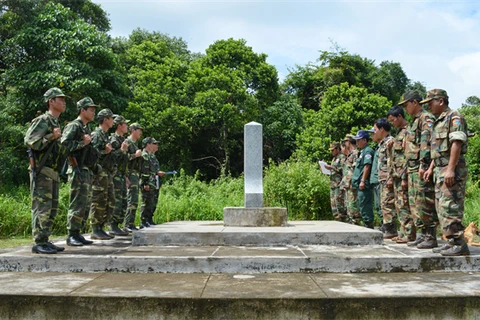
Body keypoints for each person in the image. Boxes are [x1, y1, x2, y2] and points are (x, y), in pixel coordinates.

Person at [422, 89, 470, 256]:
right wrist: (430, 168)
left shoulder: (454, 118)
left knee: (451, 206)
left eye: (430, 103)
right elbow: (438, 150)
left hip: (452, 169)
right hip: (439, 169)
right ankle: (450, 241)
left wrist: (450, 169)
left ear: (441, 101)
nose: (428, 106)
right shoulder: (438, 121)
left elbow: (456, 143)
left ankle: (459, 243)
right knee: (441, 207)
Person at [24, 87, 68, 254]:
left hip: (53, 172)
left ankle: (45, 239)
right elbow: (30, 141)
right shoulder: (43, 120)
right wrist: (52, 136)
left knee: (52, 208)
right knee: (42, 208)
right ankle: (38, 242)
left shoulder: (55, 122)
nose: (64, 102)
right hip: (42, 170)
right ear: (51, 101)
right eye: (60, 99)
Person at [397, 91, 438, 249]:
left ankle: (430, 235)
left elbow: (426, 143)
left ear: (415, 102)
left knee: (425, 201)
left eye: (406, 104)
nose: (406, 108)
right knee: (415, 203)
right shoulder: (413, 121)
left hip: (421, 167)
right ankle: (422, 234)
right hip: (412, 168)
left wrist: (424, 164)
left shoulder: (425, 118)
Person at [61, 97, 100, 246]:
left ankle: (78, 233)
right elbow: (64, 146)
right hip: (76, 169)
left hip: (85, 170)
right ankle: (71, 234)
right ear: (82, 110)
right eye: (91, 109)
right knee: (77, 202)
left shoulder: (86, 128)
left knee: (84, 203)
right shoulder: (74, 126)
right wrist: (82, 143)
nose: (93, 112)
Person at [387, 105, 415, 243]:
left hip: (403, 175)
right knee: (399, 206)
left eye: (393, 120)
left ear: (399, 116)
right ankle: (403, 232)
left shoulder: (407, 132)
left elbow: (407, 157)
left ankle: (409, 234)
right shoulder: (398, 133)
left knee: (405, 205)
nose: (392, 123)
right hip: (397, 175)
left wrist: (404, 177)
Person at [89, 108, 115, 240]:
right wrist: (105, 151)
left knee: (109, 201)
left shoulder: (105, 135)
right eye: (111, 118)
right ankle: (95, 228)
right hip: (99, 173)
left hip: (107, 173)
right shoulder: (96, 134)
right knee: (98, 200)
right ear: (105, 119)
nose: (113, 121)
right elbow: (91, 156)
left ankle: (101, 227)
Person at [370, 118, 397, 239]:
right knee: (384, 204)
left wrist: (390, 178)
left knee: (388, 204)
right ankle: (386, 226)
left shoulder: (390, 142)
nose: (373, 133)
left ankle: (391, 229)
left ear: (382, 129)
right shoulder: (382, 144)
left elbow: (392, 162)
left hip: (387, 178)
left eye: (375, 130)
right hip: (382, 179)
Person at [108, 115, 130, 236]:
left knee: (123, 201)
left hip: (121, 175)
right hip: (115, 175)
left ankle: (117, 224)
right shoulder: (114, 140)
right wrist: (121, 150)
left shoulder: (123, 141)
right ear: (119, 126)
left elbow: (124, 161)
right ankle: (112, 225)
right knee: (116, 201)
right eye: (125, 124)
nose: (127, 126)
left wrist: (126, 176)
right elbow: (111, 157)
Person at [139, 137, 165, 228]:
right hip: (147, 182)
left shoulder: (151, 156)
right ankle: (143, 221)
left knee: (151, 202)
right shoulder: (145, 155)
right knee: (145, 202)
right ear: (148, 144)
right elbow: (144, 170)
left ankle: (148, 219)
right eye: (154, 144)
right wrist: (145, 183)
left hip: (153, 182)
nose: (156, 145)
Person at [351, 130, 375, 228]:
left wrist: (363, 181)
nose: (357, 143)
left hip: (364, 184)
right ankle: (366, 222)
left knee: (365, 203)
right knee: (361, 203)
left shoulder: (368, 151)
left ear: (365, 140)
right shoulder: (362, 151)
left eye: (359, 140)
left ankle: (368, 223)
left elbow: (367, 166)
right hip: (359, 184)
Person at [124, 122, 144, 232]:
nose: (141, 132)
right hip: (130, 175)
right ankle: (127, 224)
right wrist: (134, 156)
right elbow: (123, 158)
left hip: (135, 175)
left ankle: (131, 223)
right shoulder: (127, 142)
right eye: (139, 130)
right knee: (131, 200)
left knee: (135, 200)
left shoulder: (135, 144)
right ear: (133, 130)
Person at [340, 135, 362, 225]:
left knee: (354, 208)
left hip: (352, 185)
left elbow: (356, 170)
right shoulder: (349, 155)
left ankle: (356, 225)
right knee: (349, 208)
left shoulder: (356, 154)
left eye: (345, 142)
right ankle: (352, 223)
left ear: (348, 142)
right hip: (348, 185)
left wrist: (351, 182)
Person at [324, 142, 347, 222]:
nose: (332, 152)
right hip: (333, 184)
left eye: (333, 150)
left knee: (339, 204)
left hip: (338, 184)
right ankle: (337, 219)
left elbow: (344, 169)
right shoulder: (334, 159)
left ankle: (343, 220)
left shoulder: (342, 157)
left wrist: (332, 167)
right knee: (334, 205)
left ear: (337, 149)